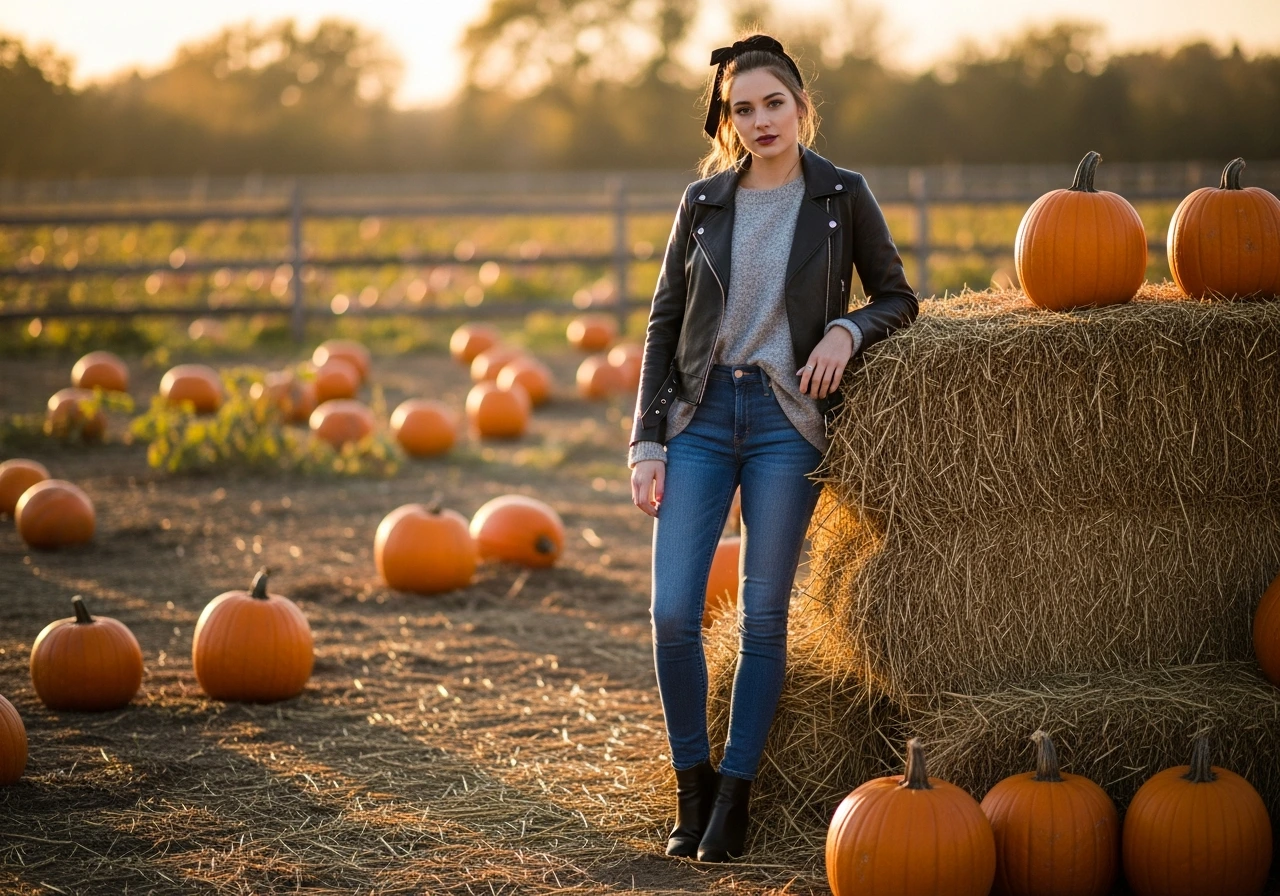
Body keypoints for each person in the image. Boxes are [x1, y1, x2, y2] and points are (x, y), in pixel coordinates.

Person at [627, 33, 919, 862]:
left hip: (787, 425)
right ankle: (692, 786)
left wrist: (846, 329)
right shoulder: (702, 203)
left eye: (774, 104)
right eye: (743, 109)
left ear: (801, 106)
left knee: (762, 616)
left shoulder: (841, 195)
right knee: (673, 613)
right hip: (701, 417)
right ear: (728, 119)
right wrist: (646, 438)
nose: (761, 121)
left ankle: (736, 797)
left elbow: (898, 297)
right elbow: (663, 323)